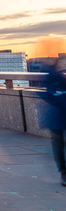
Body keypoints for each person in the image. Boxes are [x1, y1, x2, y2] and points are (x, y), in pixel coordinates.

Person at [38, 58, 66, 187]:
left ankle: (63, 172)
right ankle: (64, 172)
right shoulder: (56, 78)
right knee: (58, 142)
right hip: (58, 114)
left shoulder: (51, 78)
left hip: (56, 115)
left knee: (58, 143)